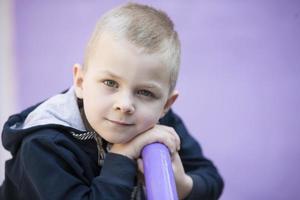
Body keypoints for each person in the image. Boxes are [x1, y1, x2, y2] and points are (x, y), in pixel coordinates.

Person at [0, 3, 223, 200]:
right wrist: (122, 156)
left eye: (145, 92)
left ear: (166, 104)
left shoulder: (160, 124)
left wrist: (184, 186)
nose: (125, 105)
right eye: (110, 83)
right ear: (80, 81)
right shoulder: (43, 145)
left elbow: (211, 178)